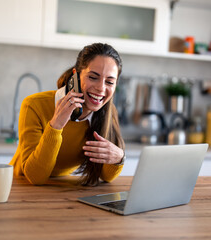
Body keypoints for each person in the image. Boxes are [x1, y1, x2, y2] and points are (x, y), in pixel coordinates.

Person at [10, 43, 125, 186]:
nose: (101, 88)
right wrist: (55, 125)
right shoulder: (33, 105)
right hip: (21, 187)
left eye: (109, 82)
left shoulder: (109, 111)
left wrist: (119, 157)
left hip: (62, 189)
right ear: (76, 75)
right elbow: (35, 177)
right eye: (93, 77)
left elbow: (107, 177)